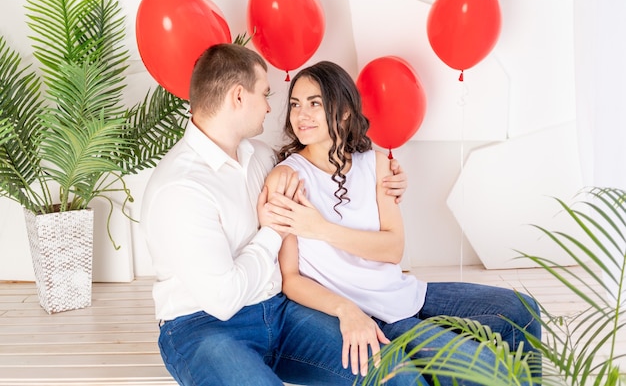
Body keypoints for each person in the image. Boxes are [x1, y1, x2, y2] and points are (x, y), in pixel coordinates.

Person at [139, 44, 415, 386]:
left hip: (281, 315)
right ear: (239, 97)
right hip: (204, 328)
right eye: (265, 94)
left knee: (395, 373)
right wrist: (271, 231)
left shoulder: (260, 156)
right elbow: (223, 301)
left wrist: (390, 179)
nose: (272, 107)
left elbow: (324, 161)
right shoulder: (180, 188)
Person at [263, 61, 542, 385]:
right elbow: (291, 278)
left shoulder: (378, 164)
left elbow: (393, 249)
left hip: (406, 293)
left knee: (522, 310)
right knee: (477, 371)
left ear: (343, 112)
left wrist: (321, 229)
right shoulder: (287, 176)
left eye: (315, 103)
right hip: (375, 315)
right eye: (296, 104)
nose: (301, 115)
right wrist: (345, 309)